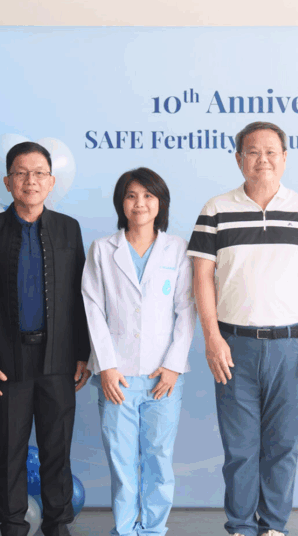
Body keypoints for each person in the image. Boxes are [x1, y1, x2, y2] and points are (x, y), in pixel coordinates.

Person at [187, 121, 298, 536]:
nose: (263, 159)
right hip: (234, 345)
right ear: (239, 159)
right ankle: (239, 526)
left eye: (272, 151)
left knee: (283, 446)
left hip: (294, 346)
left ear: (285, 158)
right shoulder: (215, 209)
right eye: (253, 152)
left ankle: (273, 527)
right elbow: (202, 277)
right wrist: (211, 338)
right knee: (239, 448)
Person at [0, 141, 92, 536]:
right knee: (10, 451)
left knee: (57, 450)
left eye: (39, 173)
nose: (30, 181)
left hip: (59, 359)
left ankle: (58, 526)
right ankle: (13, 526)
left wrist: (82, 353)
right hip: (6, 361)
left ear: (51, 182)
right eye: (21, 173)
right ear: (7, 181)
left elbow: (80, 297)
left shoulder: (68, 228)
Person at [81, 167, 195, 536]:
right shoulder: (103, 249)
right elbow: (93, 309)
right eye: (131, 196)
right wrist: (107, 366)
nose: (139, 203)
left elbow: (187, 309)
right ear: (121, 203)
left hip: (163, 376)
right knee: (122, 461)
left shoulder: (178, 249)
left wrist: (173, 366)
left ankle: (154, 529)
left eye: (148, 196)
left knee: (159, 459)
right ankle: (125, 530)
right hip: (118, 377)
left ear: (160, 202)